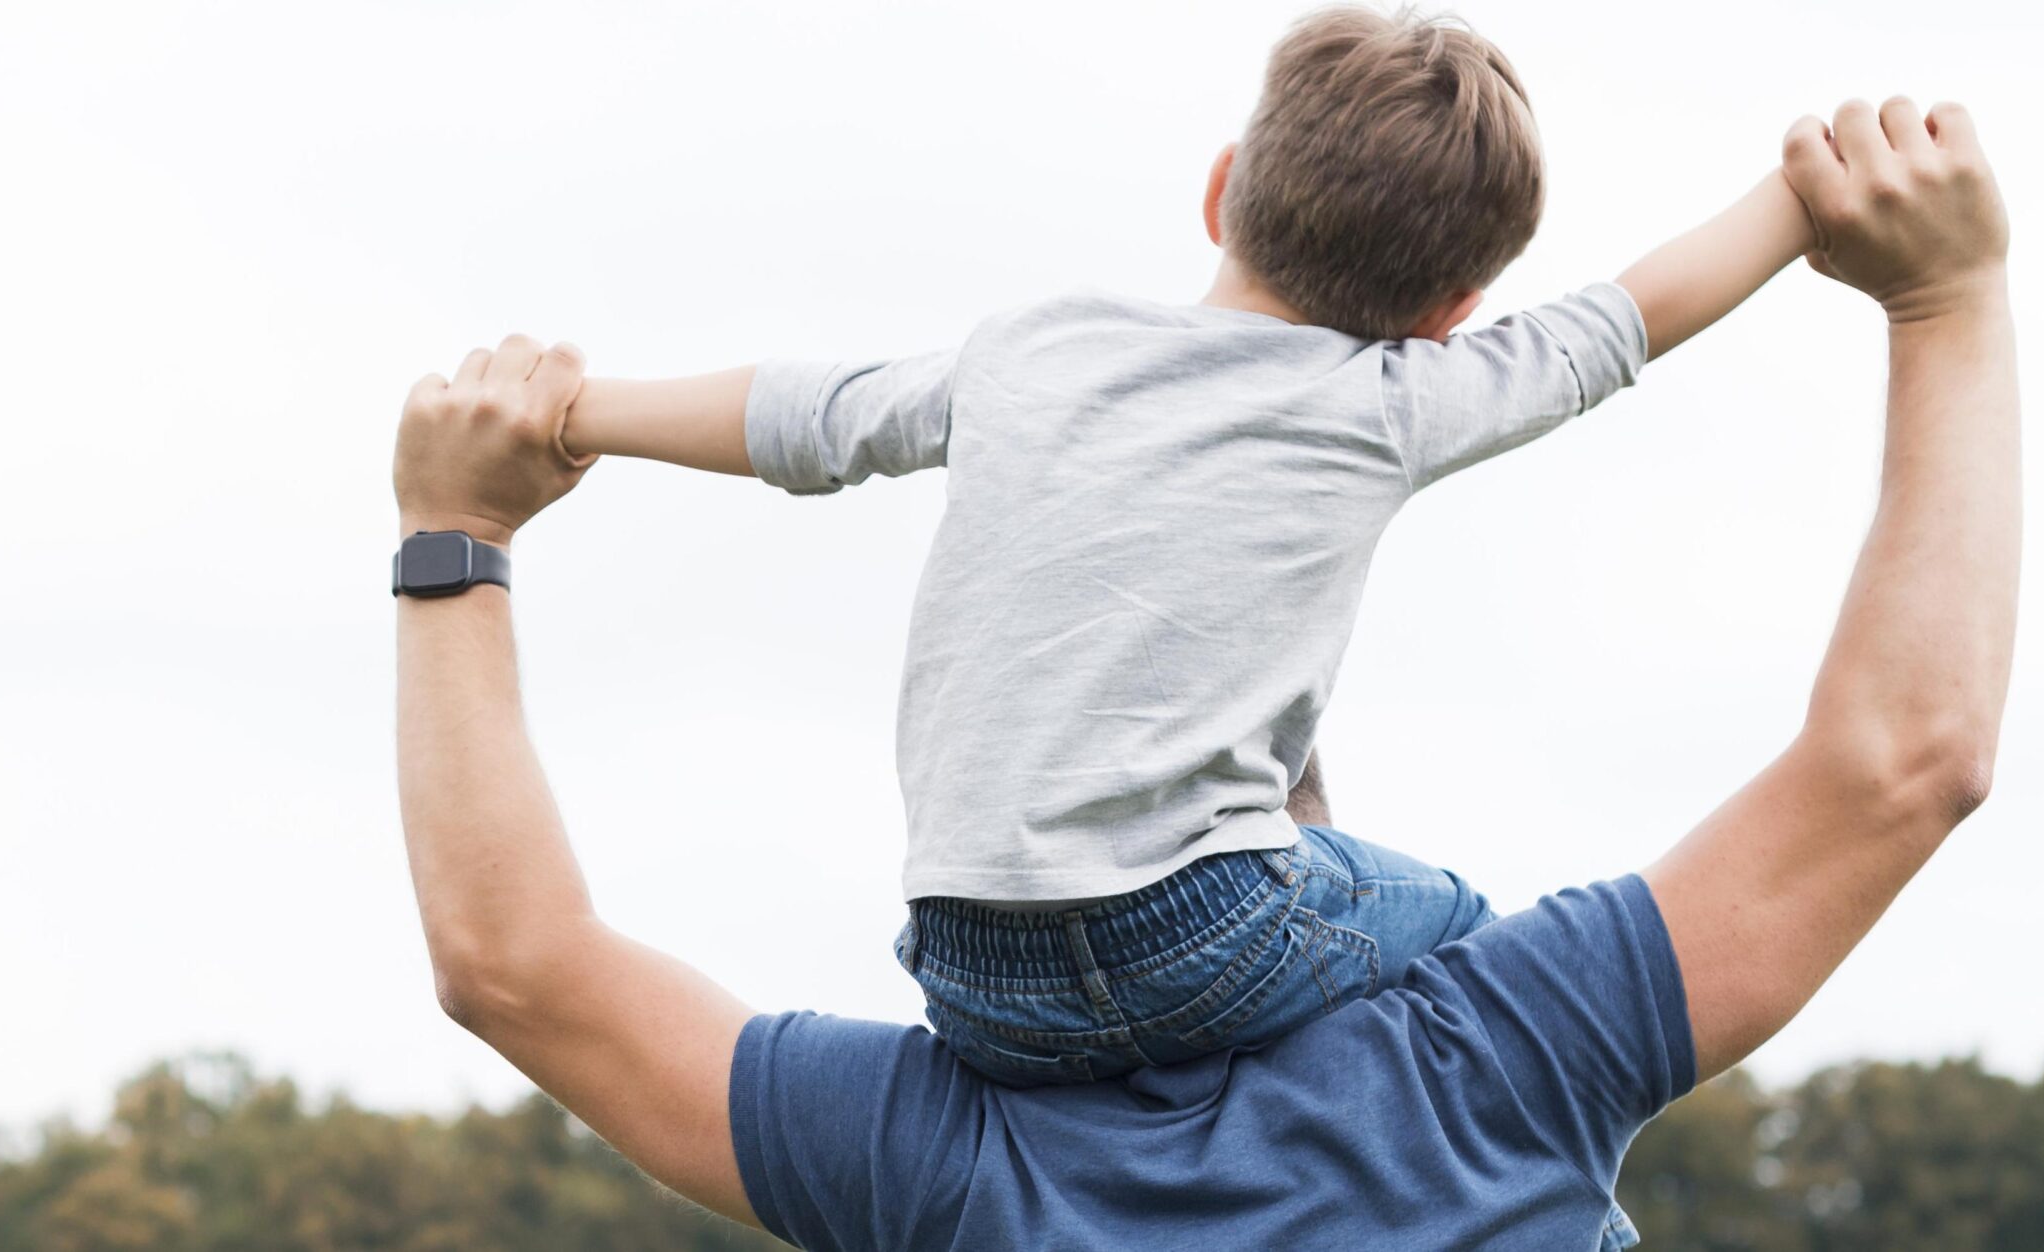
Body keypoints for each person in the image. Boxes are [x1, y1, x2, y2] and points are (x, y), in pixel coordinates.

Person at [390, 93, 2015, 1250]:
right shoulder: (1499, 1061)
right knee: (1440, 901)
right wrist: (1942, 295)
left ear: (1226, 187)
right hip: (1377, 1008)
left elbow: (514, 967)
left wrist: (458, 531)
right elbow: (1904, 759)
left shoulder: (943, 1160)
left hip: (986, 981)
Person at [549, 5, 1814, 1089]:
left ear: (1220, 192)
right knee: (1467, 937)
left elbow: (806, 415)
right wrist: (1802, 193)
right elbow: (1620, 324)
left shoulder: (1032, 349)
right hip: (1196, 941)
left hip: (969, 968)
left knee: (1296, 809)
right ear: (1452, 315)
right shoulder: (1393, 400)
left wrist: (568, 412)